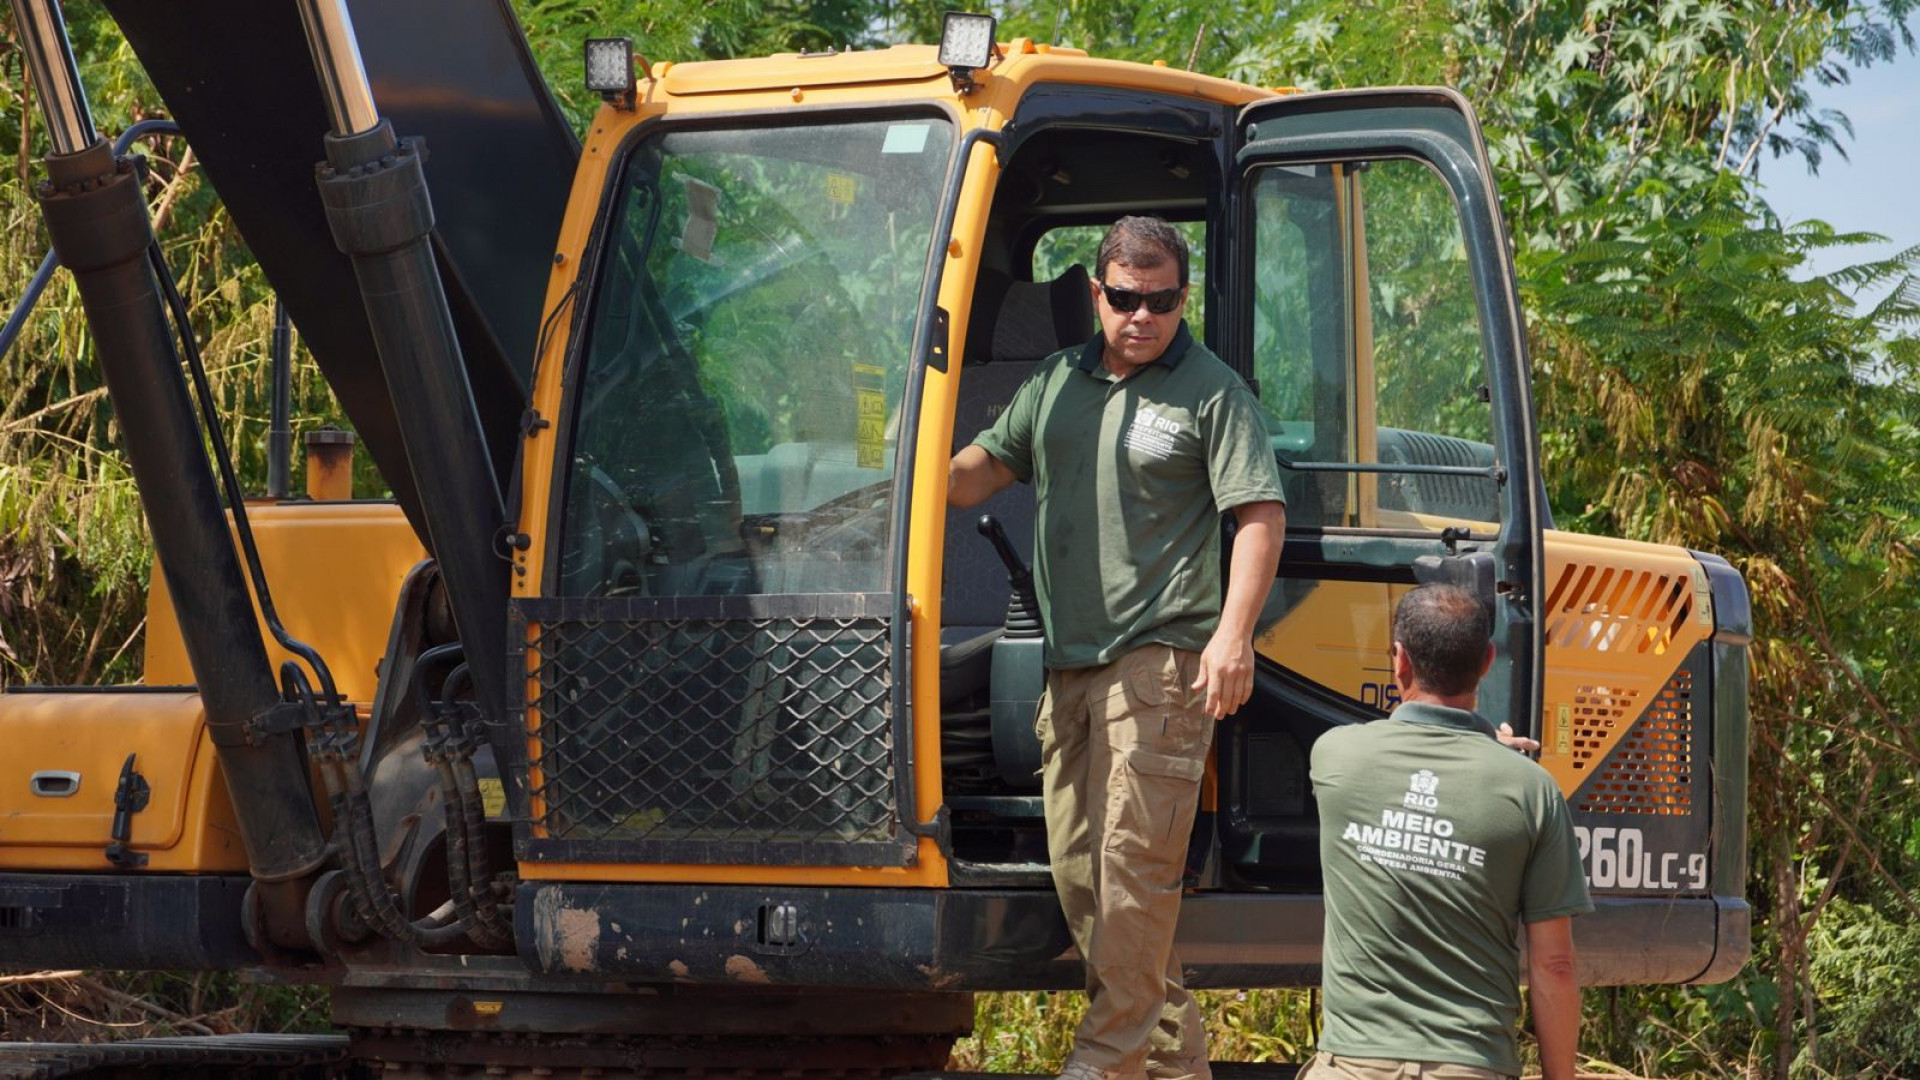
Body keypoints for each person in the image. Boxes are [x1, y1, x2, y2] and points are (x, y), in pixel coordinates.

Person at [949, 216, 1286, 1080]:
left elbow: (1258, 515)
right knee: (1083, 876)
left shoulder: (1212, 392)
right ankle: (1173, 1065)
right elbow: (978, 473)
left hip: (1162, 660)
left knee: (1133, 870)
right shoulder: (1056, 382)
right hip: (1069, 664)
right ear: (1097, 294)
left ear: (1182, 297)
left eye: (1163, 300)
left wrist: (1232, 637)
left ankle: (1104, 1059)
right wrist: (905, 457)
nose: (1144, 317)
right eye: (1128, 299)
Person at [1306, 584, 1592, 1080]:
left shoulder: (1335, 758)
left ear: (1399, 661)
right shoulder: (1530, 790)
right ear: (1486, 661)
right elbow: (1556, 967)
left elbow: (1407, 748)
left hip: (1352, 1066)